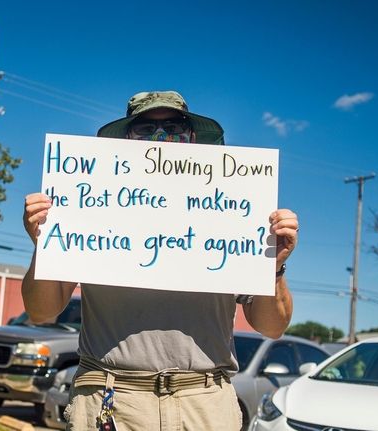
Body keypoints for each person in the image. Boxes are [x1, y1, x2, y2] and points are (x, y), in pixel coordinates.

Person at [22, 91, 299, 430]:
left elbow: (272, 327)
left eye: (174, 127)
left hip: (205, 403)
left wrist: (274, 268)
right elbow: (41, 311)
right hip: (110, 401)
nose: (161, 138)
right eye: (145, 129)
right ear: (126, 140)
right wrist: (44, 244)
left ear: (192, 138)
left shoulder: (233, 212)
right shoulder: (87, 207)